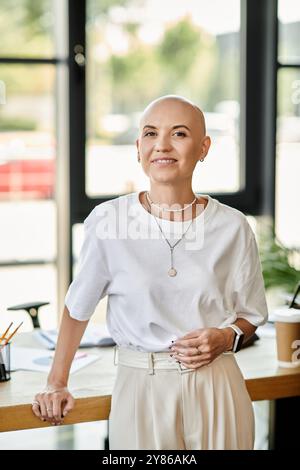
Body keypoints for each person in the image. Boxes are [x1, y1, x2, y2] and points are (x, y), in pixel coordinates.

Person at [31, 95, 268, 450]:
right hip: (141, 385)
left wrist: (224, 338)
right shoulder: (109, 221)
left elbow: (251, 316)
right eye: (150, 134)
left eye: (179, 134)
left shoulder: (233, 226)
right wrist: (56, 382)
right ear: (138, 147)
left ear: (204, 147)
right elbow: (77, 309)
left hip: (218, 386)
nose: (162, 145)